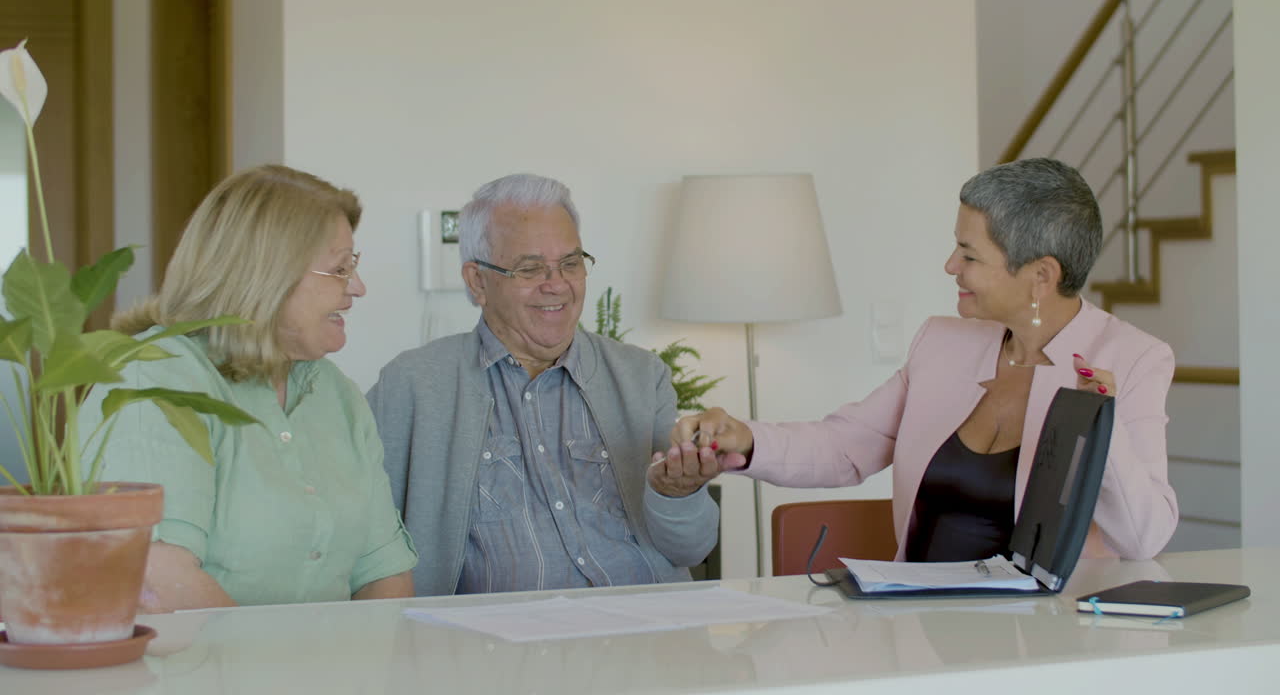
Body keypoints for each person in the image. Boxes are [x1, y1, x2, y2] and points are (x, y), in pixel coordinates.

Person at [666, 158, 1178, 561]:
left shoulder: (1134, 361)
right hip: (922, 630)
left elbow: (1143, 538)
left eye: (970, 255)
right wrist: (747, 439)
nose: (951, 265)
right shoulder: (942, 343)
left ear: (1041, 276)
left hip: (1052, 641)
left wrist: (1100, 428)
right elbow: (845, 446)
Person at [79, 164, 417, 610]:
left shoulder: (337, 394)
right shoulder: (153, 379)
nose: (358, 287)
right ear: (267, 276)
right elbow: (159, 578)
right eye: (339, 269)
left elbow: (382, 572)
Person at [367, 173, 719, 595]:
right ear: (478, 281)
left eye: (570, 263)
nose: (557, 284)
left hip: (646, 633)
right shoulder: (414, 386)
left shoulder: (641, 376)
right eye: (530, 268)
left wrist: (676, 495)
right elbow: (364, 542)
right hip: (494, 648)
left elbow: (694, 549)